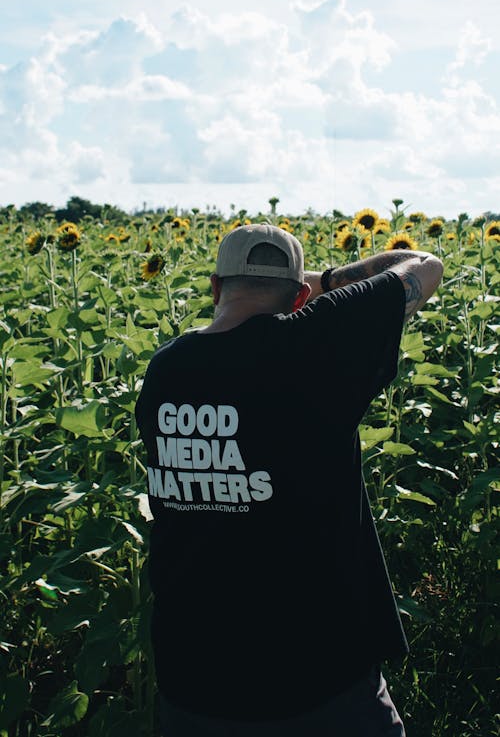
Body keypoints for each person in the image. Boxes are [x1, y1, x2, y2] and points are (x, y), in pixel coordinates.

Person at [135, 222, 443, 737]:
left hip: (193, 680)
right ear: (301, 296)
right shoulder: (315, 347)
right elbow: (423, 265)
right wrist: (319, 282)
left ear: (214, 287)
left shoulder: (166, 370)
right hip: (318, 679)